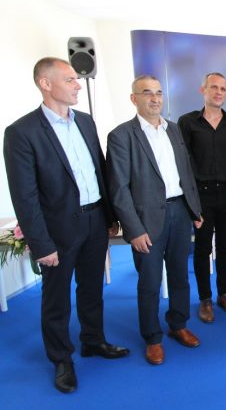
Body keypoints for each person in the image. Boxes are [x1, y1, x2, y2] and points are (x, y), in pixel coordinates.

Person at [3, 57, 129, 393]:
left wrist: (110, 216)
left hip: (95, 221)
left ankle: (93, 340)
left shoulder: (85, 121)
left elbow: (100, 170)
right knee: (56, 299)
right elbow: (24, 196)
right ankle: (61, 359)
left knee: (92, 288)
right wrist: (41, 244)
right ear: (45, 83)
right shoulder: (21, 132)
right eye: (70, 79)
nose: (77, 86)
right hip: (58, 230)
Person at [107, 75, 203, 366]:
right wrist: (133, 229)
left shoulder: (174, 129)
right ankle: (152, 338)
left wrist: (195, 210)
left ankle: (178, 324)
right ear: (133, 98)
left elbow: (186, 172)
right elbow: (119, 188)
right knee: (149, 282)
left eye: (159, 92)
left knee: (179, 275)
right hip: (146, 221)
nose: (155, 98)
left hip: (180, 213)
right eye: (147, 93)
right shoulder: (121, 136)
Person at [178, 72, 226, 323]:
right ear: (203, 90)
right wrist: (190, 200)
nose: (219, 92)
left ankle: (224, 294)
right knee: (202, 248)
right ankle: (205, 298)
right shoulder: (187, 122)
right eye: (214, 87)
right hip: (201, 195)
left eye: (223, 89)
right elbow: (182, 163)